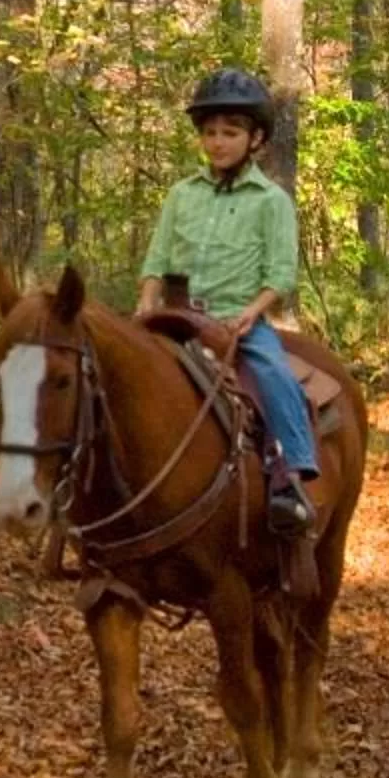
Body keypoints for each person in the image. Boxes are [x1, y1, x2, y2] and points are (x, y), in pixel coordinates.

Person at [137, 68, 321, 536]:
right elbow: (157, 257)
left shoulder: (271, 201)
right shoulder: (181, 194)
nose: (219, 142)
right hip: (175, 313)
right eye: (211, 133)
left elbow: (279, 273)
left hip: (238, 318)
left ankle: (290, 478)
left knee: (276, 375)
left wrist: (251, 313)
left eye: (231, 133)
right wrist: (146, 301)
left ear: (255, 138)